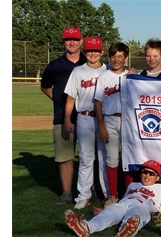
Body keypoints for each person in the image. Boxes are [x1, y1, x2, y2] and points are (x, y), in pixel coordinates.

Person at [64, 159, 161, 237]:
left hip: (144, 207)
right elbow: (123, 202)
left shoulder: (160, 188)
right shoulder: (133, 185)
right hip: (125, 203)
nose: (147, 175)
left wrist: (155, 216)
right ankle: (86, 227)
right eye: (144, 172)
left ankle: (124, 232)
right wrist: (104, 211)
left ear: (157, 177)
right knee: (110, 213)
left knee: (135, 217)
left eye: (151, 173)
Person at [40, 26, 86, 205]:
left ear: (81, 41)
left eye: (75, 39)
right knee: (65, 157)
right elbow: (45, 86)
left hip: (86, 117)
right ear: (64, 42)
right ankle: (67, 192)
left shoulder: (90, 61)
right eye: (68, 39)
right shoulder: (54, 66)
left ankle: (89, 191)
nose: (72, 42)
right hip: (62, 117)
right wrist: (58, 100)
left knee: (88, 156)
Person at [64, 36, 110, 209]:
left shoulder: (108, 70)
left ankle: (107, 194)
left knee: (105, 157)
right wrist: (68, 119)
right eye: (90, 50)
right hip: (84, 117)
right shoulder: (78, 71)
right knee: (86, 158)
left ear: (102, 52)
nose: (93, 53)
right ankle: (83, 195)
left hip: (105, 119)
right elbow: (71, 97)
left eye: (96, 50)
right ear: (85, 52)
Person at [94, 42, 130, 208]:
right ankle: (113, 195)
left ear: (126, 58)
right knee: (112, 158)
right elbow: (98, 103)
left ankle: (130, 194)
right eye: (113, 56)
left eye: (120, 56)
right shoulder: (103, 77)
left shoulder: (131, 76)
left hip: (127, 120)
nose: (116, 59)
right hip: (109, 119)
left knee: (129, 158)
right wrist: (101, 125)